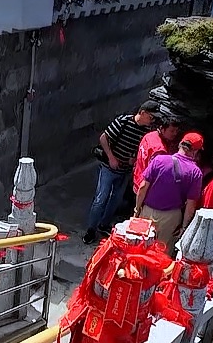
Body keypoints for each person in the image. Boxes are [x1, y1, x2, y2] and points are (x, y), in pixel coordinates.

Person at [84, 100, 159, 242]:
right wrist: (111, 157)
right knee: (101, 198)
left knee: (116, 199)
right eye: (151, 117)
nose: (152, 120)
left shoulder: (146, 131)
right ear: (142, 113)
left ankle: (104, 224)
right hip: (109, 168)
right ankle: (91, 230)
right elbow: (103, 138)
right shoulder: (123, 122)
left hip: (125, 170)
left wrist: (134, 160)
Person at [134, 131, 205, 247]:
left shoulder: (159, 160)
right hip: (171, 217)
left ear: (180, 144)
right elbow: (191, 205)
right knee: (162, 253)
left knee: (141, 248)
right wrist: (184, 227)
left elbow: (142, 187)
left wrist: (137, 210)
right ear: (196, 151)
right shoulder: (196, 173)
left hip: (147, 211)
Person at [132, 118, 181, 188]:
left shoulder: (149, 136)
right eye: (172, 131)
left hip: (137, 178)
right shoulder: (159, 151)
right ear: (162, 129)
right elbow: (155, 175)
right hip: (145, 187)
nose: (175, 134)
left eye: (176, 131)